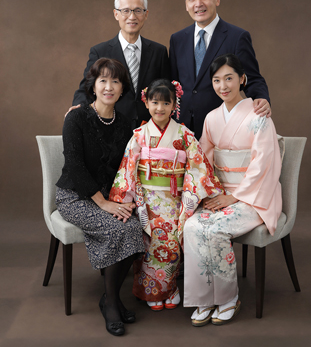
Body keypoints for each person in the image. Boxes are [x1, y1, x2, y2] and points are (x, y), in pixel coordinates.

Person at [183, 53, 282, 327]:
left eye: (229, 78)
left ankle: (228, 298)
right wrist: (211, 192)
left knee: (216, 229)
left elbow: (264, 164)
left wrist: (234, 196)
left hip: (253, 196)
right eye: (216, 80)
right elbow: (203, 160)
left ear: (242, 79)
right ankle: (203, 298)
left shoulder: (259, 115)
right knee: (191, 226)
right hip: (221, 194)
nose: (223, 86)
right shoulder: (212, 118)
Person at [109, 79, 224, 311]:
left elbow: (198, 167)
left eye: (165, 103)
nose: (159, 108)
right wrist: (127, 198)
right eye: (154, 102)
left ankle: (170, 288)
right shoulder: (140, 134)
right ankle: (151, 291)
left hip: (175, 200)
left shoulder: (184, 134)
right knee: (149, 242)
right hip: (147, 200)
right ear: (146, 103)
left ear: (174, 106)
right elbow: (128, 167)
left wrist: (191, 197)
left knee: (171, 242)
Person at [56, 58, 145, 337]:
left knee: (135, 226)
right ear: (93, 86)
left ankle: (110, 297)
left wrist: (126, 199)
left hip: (109, 196)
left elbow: (127, 168)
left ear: (122, 89)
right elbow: (75, 166)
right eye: (103, 80)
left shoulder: (125, 125)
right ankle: (112, 307)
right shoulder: (77, 118)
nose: (109, 86)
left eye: (115, 81)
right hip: (74, 196)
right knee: (116, 228)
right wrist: (104, 203)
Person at [169, 0, 271, 139]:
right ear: (186, 5)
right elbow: (172, 83)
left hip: (223, 126)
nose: (198, 4)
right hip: (182, 129)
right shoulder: (177, 39)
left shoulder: (237, 37)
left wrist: (261, 98)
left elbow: (252, 78)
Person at [72, 0, 171, 129]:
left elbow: (166, 90)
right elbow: (86, 89)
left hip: (150, 129)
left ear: (146, 14)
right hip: (112, 127)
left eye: (138, 10)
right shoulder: (100, 52)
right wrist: (78, 110)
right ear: (116, 14)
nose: (132, 17)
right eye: (125, 11)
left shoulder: (159, 51)